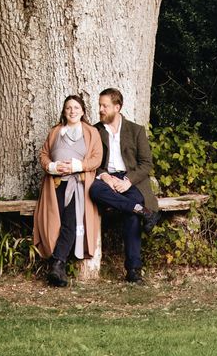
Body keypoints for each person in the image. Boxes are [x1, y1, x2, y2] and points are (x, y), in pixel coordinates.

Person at [89, 87, 162, 283]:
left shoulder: (136, 130)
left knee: (131, 212)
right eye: (100, 105)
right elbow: (90, 161)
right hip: (105, 181)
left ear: (117, 107)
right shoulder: (95, 131)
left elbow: (146, 164)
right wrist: (104, 176)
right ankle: (143, 211)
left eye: (105, 106)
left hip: (131, 180)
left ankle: (133, 270)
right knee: (94, 190)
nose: (101, 109)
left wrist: (127, 181)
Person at [32, 94, 103, 287]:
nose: (72, 111)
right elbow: (44, 154)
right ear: (64, 111)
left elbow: (97, 158)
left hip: (78, 184)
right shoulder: (56, 131)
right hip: (55, 184)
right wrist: (53, 167)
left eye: (76, 108)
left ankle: (57, 264)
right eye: (68, 108)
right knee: (56, 222)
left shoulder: (90, 132)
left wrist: (76, 166)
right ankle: (58, 266)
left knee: (71, 222)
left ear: (83, 111)